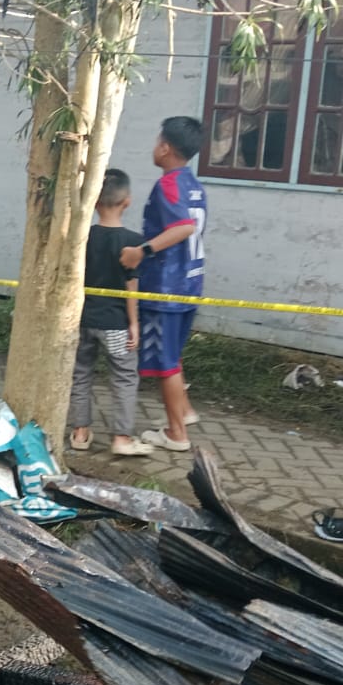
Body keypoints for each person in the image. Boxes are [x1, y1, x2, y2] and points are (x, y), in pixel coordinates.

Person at [121, 116, 206, 451]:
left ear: (166, 147)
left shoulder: (169, 183)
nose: (155, 146)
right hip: (190, 283)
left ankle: (176, 434)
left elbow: (184, 227)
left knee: (166, 362)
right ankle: (184, 413)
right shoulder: (193, 185)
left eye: (158, 140)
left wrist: (141, 251)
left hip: (166, 288)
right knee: (174, 354)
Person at [67, 169, 151, 457]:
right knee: (124, 377)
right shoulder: (133, 241)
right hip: (116, 325)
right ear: (127, 202)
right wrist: (134, 323)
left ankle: (80, 432)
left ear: (92, 202)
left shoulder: (82, 238)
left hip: (82, 321)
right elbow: (131, 286)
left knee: (80, 374)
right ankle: (121, 438)